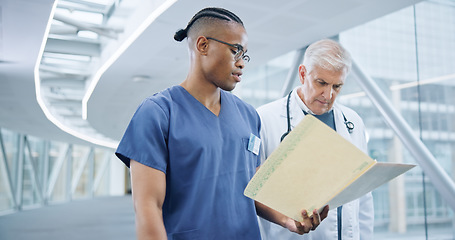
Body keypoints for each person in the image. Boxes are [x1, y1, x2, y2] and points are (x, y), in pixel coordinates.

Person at [115, 7, 328, 240]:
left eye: (244, 55)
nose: (242, 63)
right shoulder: (157, 113)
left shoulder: (248, 115)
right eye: (235, 51)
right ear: (203, 45)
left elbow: (255, 187)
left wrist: (288, 219)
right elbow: (148, 207)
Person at [256, 39, 374, 240]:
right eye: (321, 83)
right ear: (303, 74)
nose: (328, 95)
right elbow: (254, 192)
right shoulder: (265, 119)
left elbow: (362, 195)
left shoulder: (352, 122)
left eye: (337, 86)